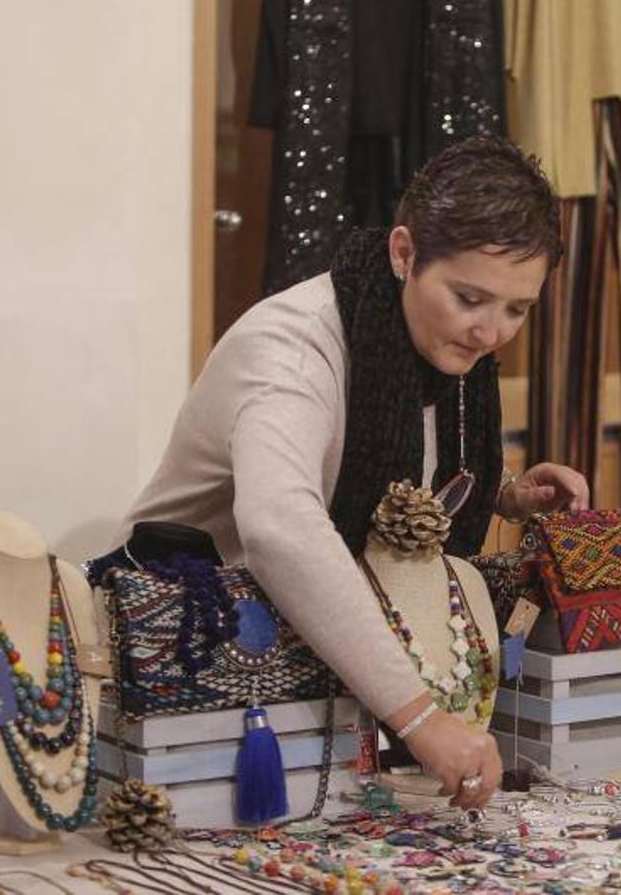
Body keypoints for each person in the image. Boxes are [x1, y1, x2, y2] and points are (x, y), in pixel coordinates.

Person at [119, 136, 588, 809]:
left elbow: (388, 475)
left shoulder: (423, 339)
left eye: (517, 309)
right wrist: (420, 716)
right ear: (404, 253)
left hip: (330, 676)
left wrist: (504, 492)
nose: (491, 333)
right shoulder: (292, 349)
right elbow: (282, 527)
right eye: (469, 298)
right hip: (207, 671)